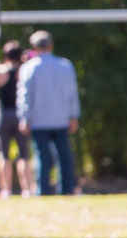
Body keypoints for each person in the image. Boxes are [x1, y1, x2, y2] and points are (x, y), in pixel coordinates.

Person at [17, 30, 81, 196]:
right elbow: (72, 94)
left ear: (34, 47)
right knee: (64, 157)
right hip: (61, 119)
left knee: (42, 158)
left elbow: (25, 95)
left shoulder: (29, 68)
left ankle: (43, 190)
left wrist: (25, 118)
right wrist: (74, 116)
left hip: (39, 121)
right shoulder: (66, 66)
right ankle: (67, 189)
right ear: (51, 45)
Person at [0, 42, 34, 198]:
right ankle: (27, 189)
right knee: (24, 154)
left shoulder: (2, 71)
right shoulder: (24, 71)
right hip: (20, 115)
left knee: (4, 154)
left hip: (3, 115)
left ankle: (6, 190)